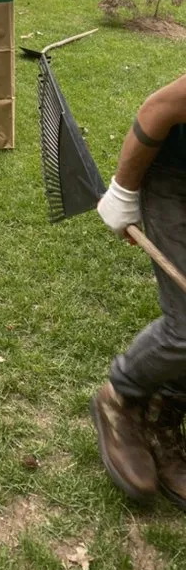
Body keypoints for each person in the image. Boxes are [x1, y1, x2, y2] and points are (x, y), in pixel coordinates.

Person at [94, 74, 186, 508]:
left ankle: (163, 415)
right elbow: (159, 109)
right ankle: (120, 397)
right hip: (176, 180)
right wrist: (122, 192)